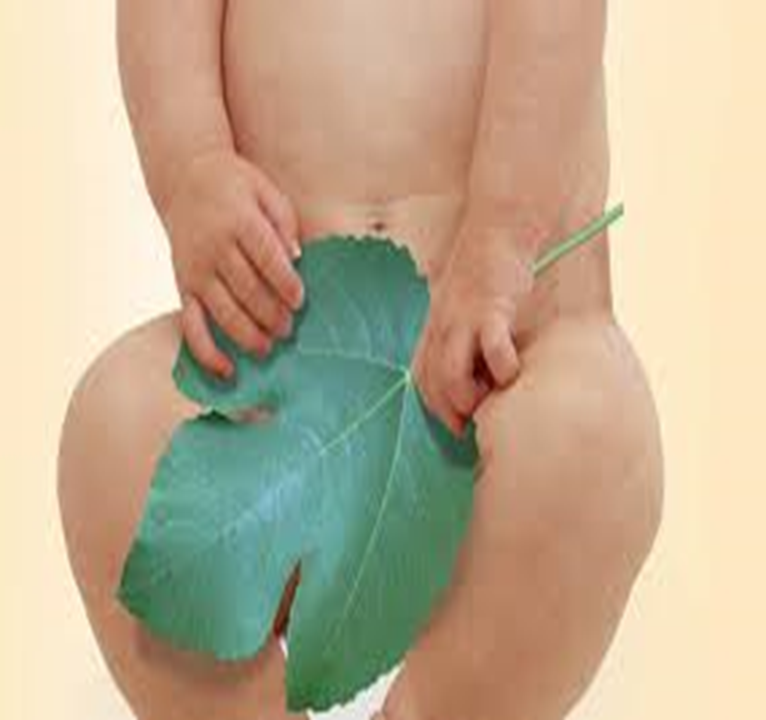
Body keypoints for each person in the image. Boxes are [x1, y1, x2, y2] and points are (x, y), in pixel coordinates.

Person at [57, 1, 664, 719]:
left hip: (500, 379)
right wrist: (192, 170)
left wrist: (500, 236)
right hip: (277, 395)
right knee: (114, 424)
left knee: (594, 428)